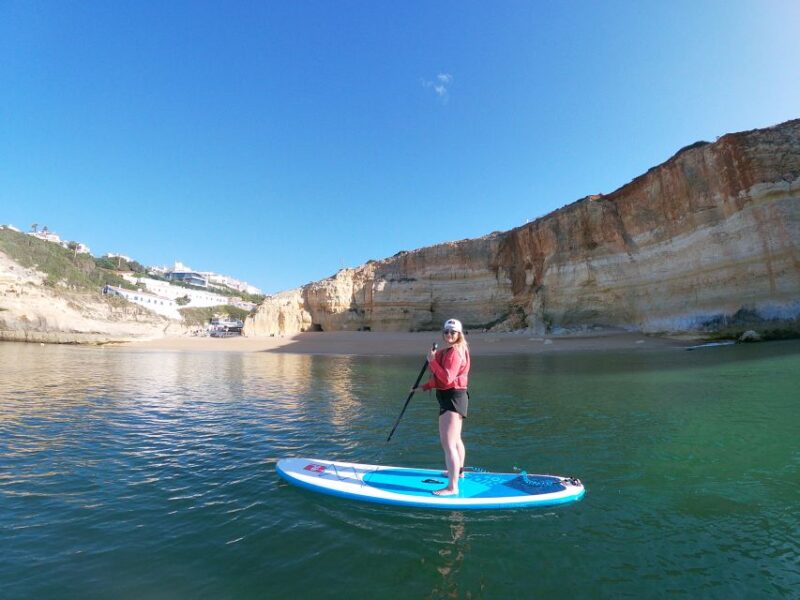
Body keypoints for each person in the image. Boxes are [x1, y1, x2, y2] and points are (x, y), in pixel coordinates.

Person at [413, 318, 471, 496]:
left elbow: (446, 378)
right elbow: (440, 378)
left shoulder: (455, 353)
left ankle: (452, 487)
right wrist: (424, 387)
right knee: (456, 440)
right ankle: (458, 473)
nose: (449, 335)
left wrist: (431, 361)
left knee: (448, 445)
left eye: (453, 332)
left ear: (459, 334)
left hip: (452, 398)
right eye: (446, 332)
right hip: (455, 397)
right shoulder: (451, 351)